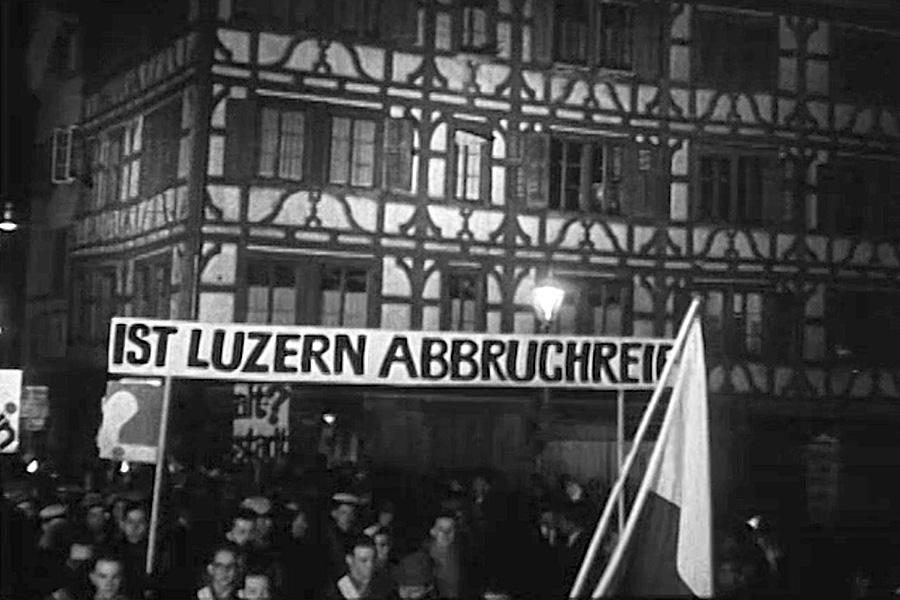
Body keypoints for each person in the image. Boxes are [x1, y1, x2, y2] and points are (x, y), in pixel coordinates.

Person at [325, 535, 393, 599]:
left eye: (373, 559)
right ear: (349, 560)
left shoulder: (386, 588)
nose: (370, 565)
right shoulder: (334, 591)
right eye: (363, 560)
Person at [422, 512, 468, 599]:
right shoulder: (423, 556)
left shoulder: (463, 553)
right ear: (432, 531)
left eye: (450, 529)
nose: (446, 533)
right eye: (441, 528)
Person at [324, 493, 360, 581]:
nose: (347, 518)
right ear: (334, 513)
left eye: (351, 514)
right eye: (343, 513)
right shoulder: (328, 537)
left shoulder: (354, 536)